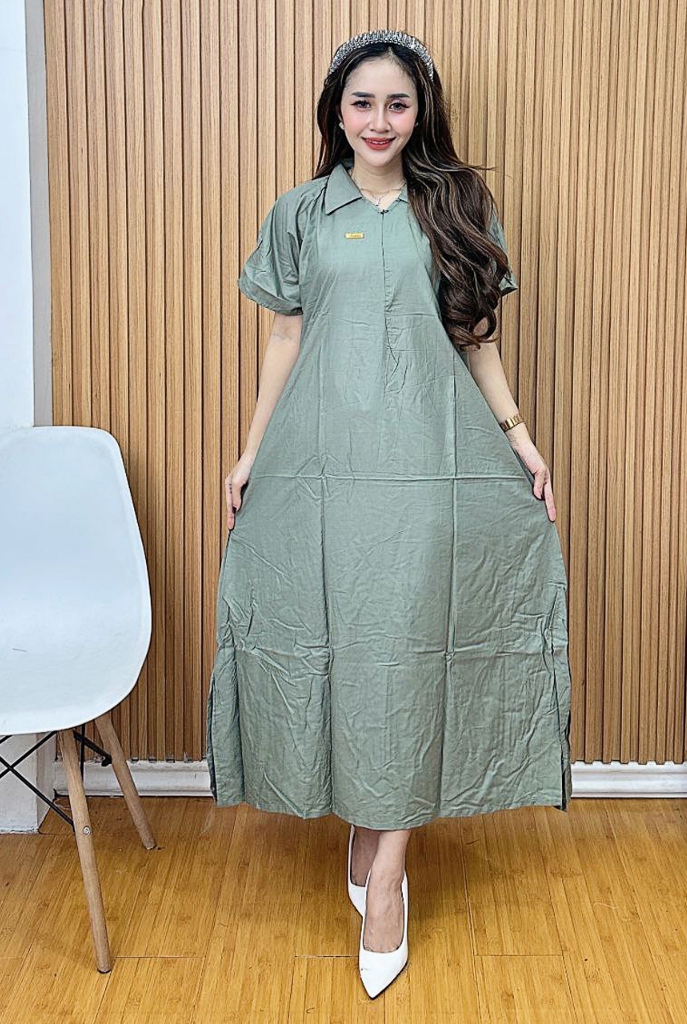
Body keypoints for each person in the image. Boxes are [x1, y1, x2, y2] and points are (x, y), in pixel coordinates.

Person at [206, 29, 572, 998]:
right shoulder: (300, 213)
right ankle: (369, 832)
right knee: (348, 650)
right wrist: (252, 452)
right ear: (337, 111)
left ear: (421, 113)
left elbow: (475, 339)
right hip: (323, 466)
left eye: (397, 104)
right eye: (362, 102)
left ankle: (385, 880)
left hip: (430, 467)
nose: (379, 121)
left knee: (409, 653)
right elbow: (286, 337)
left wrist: (519, 438)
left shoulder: (457, 207)